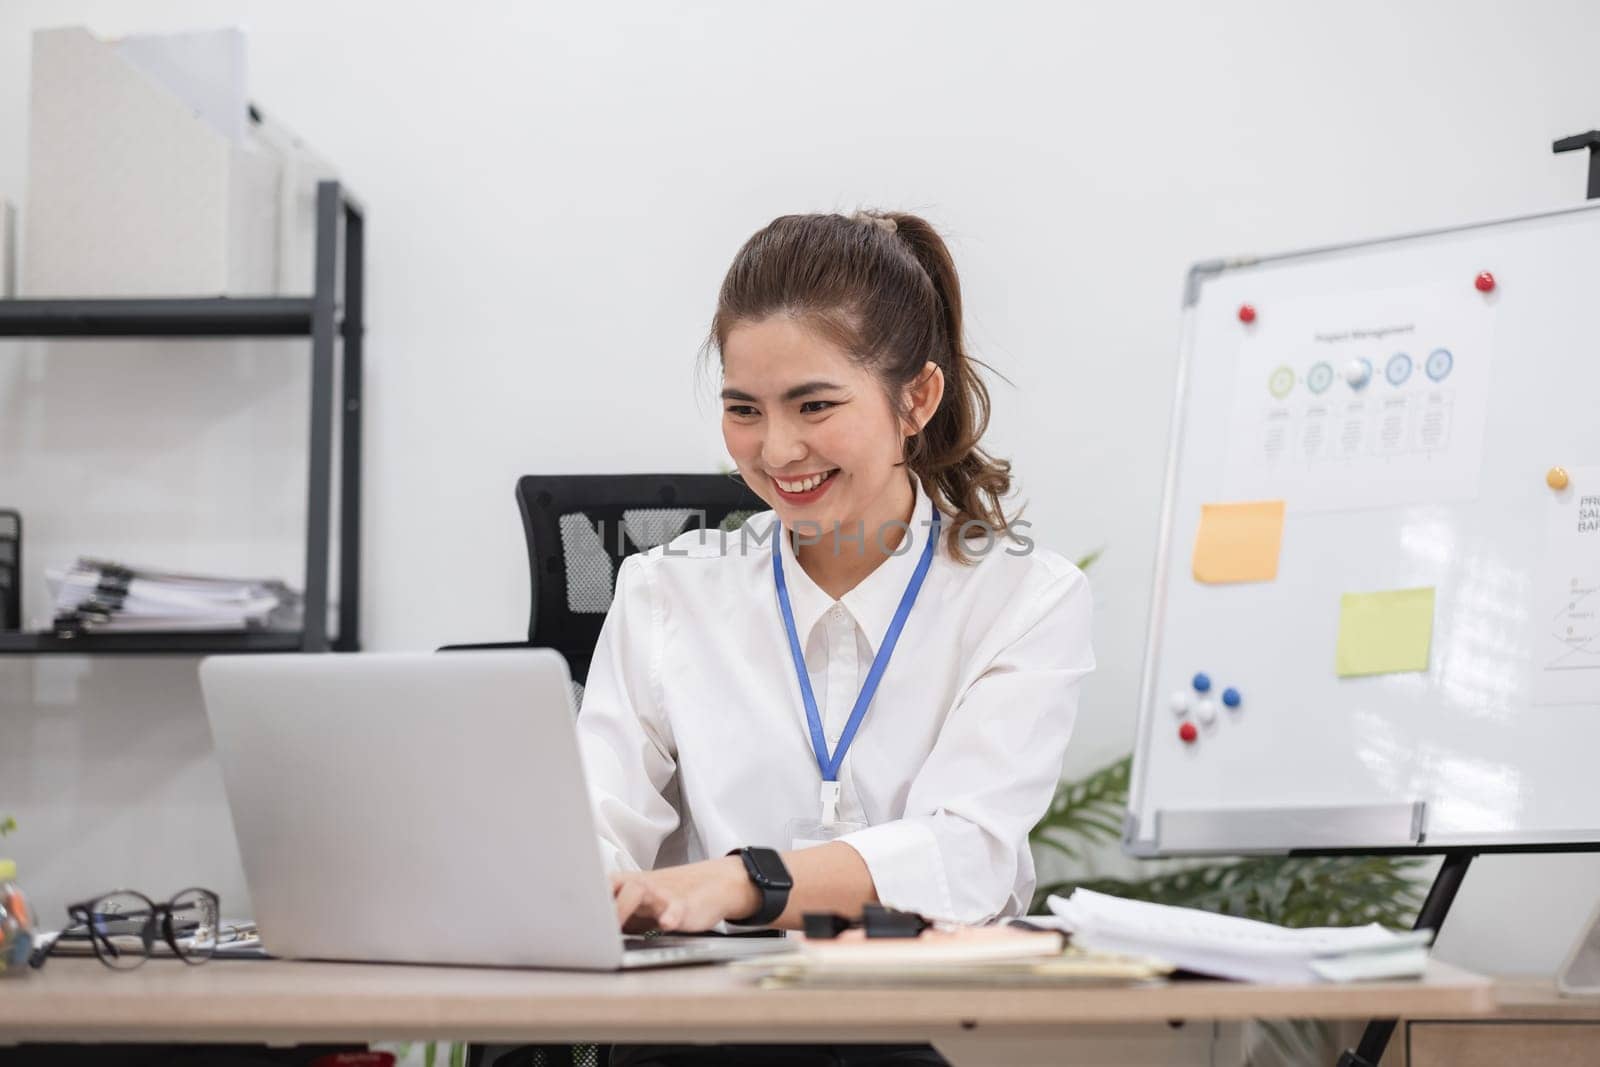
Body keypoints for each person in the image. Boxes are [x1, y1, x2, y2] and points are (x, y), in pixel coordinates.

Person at [577, 210, 1094, 1067]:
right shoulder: (666, 591)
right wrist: (597, 884)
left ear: (915, 399)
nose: (777, 449)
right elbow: (592, 825)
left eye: (814, 404)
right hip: (704, 1039)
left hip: (921, 1033)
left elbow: (969, 856)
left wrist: (742, 879)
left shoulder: (1022, 597)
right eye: (744, 409)